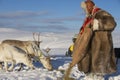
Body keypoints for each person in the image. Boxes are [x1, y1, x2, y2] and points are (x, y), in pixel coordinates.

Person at [69, 0, 117, 76]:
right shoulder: (89, 17)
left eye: (85, 8)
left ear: (90, 6)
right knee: (90, 70)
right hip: (91, 47)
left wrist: (97, 24)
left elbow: (112, 23)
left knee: (98, 71)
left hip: (101, 47)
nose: (85, 10)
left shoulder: (101, 13)